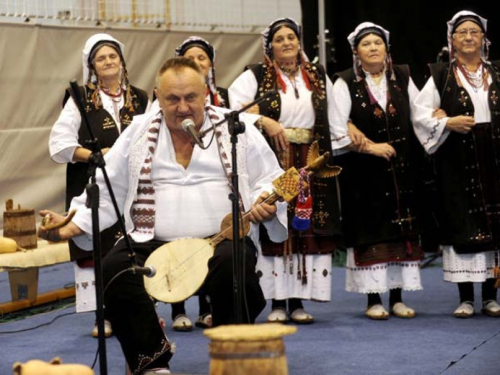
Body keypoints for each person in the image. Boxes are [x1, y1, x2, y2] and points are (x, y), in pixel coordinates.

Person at [39, 57, 288, 375]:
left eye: (190, 98)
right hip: (150, 240)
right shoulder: (138, 132)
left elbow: (267, 177)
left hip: (220, 241)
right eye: (172, 99)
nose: (183, 107)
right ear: (158, 96)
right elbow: (105, 186)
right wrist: (71, 223)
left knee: (235, 266)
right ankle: (152, 362)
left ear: (206, 95)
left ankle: (231, 353)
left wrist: (264, 200)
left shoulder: (235, 128)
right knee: (115, 269)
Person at [228, 18, 342, 324]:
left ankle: (298, 301)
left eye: (291, 37)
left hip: (309, 159)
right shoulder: (255, 75)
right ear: (270, 46)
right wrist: (266, 121)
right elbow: (234, 112)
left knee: (305, 227)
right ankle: (277, 302)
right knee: (277, 222)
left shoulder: (316, 76)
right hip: (275, 158)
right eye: (280, 39)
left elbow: (335, 114)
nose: (287, 42)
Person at [48, 33, 149, 337]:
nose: (108, 62)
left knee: (132, 245)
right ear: (91, 65)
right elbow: (59, 143)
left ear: (121, 61)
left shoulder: (141, 97)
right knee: (100, 247)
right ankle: (102, 315)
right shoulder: (80, 97)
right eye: (101, 58)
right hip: (94, 182)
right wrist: (92, 155)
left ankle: (135, 309)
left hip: (132, 186)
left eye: (112, 56)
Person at [329, 22, 425, 320]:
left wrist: (440, 114)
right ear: (356, 52)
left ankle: (397, 298)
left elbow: (422, 113)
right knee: (370, 232)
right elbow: (335, 127)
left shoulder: (404, 76)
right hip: (363, 175)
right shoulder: (344, 82)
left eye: (377, 42)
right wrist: (370, 147)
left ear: (386, 48)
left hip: (402, 172)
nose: (373, 47)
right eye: (366, 43)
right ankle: (373, 300)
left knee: (400, 232)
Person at [413, 10, 500, 318]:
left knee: (495, 227)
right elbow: (419, 113)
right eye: (462, 32)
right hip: (458, 160)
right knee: (461, 221)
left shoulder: (497, 72)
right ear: (452, 40)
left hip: (494, 157)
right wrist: (448, 122)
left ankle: (491, 296)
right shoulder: (441, 74)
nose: (468, 37)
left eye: (473, 32)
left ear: (483, 38)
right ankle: (465, 297)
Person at [161, 36, 230, 332]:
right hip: (170, 214)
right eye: (173, 99)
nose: (182, 106)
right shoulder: (149, 124)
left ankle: (210, 310)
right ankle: (177, 309)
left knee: (223, 253)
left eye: (203, 58)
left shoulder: (226, 111)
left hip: (214, 220)